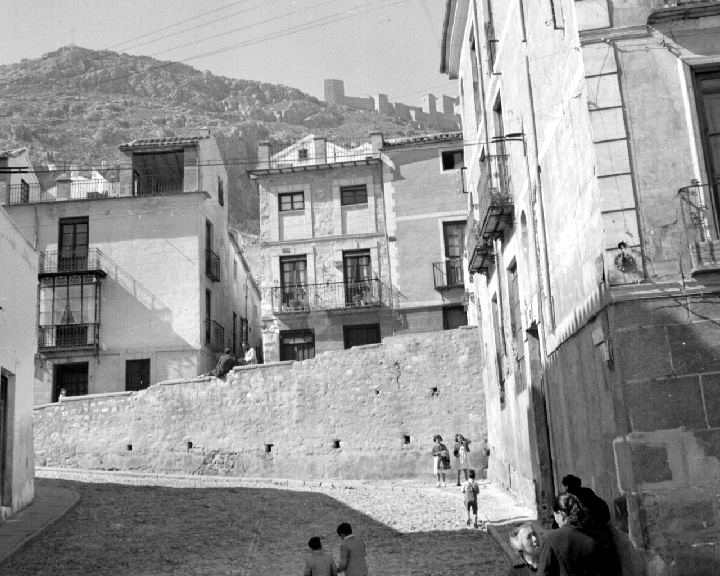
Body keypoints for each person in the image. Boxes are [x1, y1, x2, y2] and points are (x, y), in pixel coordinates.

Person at [537, 493, 612, 576]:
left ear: (561, 514)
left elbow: (544, 573)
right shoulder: (600, 538)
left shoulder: (550, 539)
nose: (555, 520)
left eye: (555, 515)